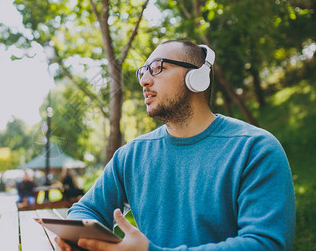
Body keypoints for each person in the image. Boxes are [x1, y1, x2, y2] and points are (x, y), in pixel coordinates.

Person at [55, 40, 295, 250]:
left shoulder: (256, 149)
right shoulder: (131, 156)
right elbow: (86, 210)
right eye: (143, 72)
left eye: (158, 68)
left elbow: (264, 244)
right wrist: (80, 238)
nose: (145, 81)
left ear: (197, 77)